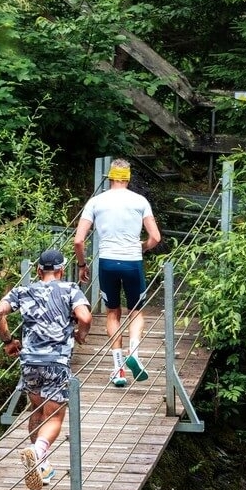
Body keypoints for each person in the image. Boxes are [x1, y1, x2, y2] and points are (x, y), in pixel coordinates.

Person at [0, 248, 91, 490]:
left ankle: (41, 467)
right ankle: (37, 452)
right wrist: (80, 334)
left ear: (38, 271)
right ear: (61, 270)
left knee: (36, 408)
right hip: (56, 362)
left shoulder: (23, 291)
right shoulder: (70, 289)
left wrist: (8, 341)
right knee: (55, 415)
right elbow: (85, 317)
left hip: (30, 361)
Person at [73, 158, 162, 387]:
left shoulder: (96, 202)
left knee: (113, 313)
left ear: (110, 177)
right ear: (128, 177)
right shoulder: (140, 201)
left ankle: (118, 369)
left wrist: (82, 265)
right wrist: (141, 246)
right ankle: (134, 351)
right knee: (136, 311)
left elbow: (79, 241)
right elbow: (156, 238)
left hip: (107, 262)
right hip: (132, 261)